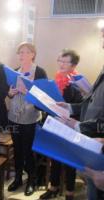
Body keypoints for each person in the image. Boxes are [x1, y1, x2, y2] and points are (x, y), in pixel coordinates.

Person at [57, 29, 104, 200]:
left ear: (73, 65)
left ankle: (69, 191)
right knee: (92, 188)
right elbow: (91, 102)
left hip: (94, 135)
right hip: (90, 138)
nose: (102, 41)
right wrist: (69, 107)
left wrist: (77, 125)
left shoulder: (74, 80)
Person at [39, 49, 83, 200]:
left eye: (66, 62)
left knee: (70, 160)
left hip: (70, 127)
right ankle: (54, 187)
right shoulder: (55, 80)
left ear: (74, 65)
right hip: (54, 124)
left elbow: (81, 108)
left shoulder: (78, 84)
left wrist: (67, 113)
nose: (62, 64)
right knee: (55, 157)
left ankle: (70, 191)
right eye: (60, 61)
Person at [7, 42, 47, 196]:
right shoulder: (15, 72)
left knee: (28, 150)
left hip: (30, 118)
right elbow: (9, 94)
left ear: (33, 54)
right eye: (20, 52)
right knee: (17, 149)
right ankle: (17, 178)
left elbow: (44, 98)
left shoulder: (40, 72)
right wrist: (10, 93)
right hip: (14, 117)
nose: (22, 55)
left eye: (25, 52)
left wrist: (28, 92)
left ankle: (31, 179)